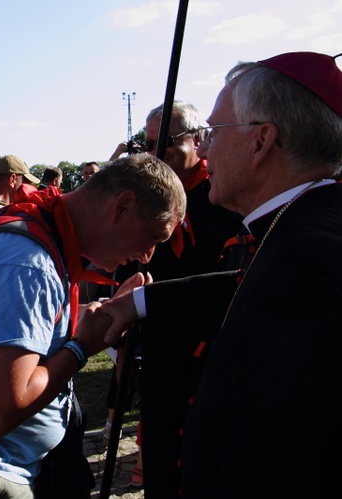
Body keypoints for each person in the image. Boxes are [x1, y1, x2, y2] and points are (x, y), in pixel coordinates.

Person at [95, 51, 342, 498]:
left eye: (215, 131)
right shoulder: (300, 229)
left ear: (261, 141)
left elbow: (275, 458)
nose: (206, 148)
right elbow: (242, 287)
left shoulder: (307, 261)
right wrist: (137, 303)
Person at [0, 153, 187, 497]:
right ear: (122, 207)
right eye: (154, 236)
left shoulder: (42, 233)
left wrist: (98, 316)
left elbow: (25, 334)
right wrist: (81, 347)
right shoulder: (28, 262)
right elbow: (0, 412)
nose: (147, 255)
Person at [115, 100, 245, 490]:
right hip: (159, 347)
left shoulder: (224, 191)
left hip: (213, 353)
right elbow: (129, 267)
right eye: (151, 143)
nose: (160, 152)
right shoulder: (145, 196)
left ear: (198, 138)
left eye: (168, 141)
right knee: (160, 461)